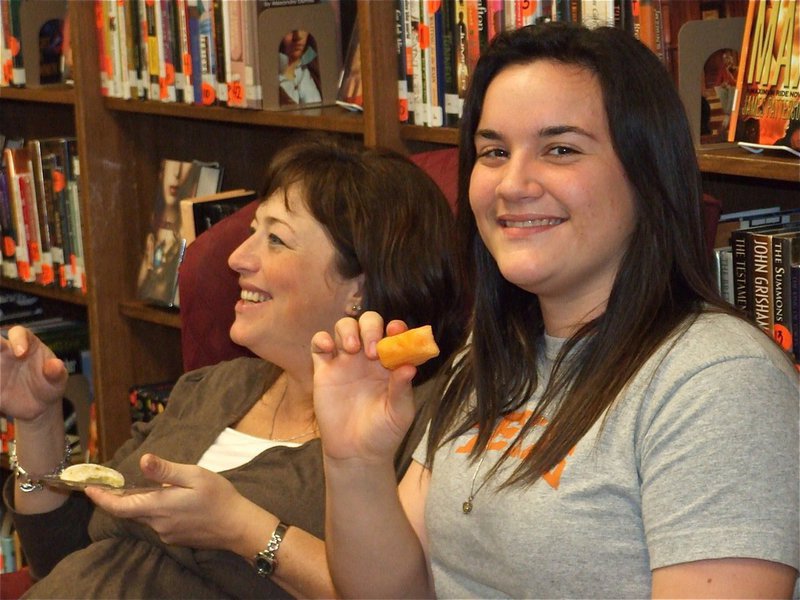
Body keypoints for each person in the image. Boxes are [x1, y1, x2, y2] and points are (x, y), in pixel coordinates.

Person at [310, 22, 800, 598]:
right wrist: (354, 461)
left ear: (647, 173)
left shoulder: (718, 382)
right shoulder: (491, 349)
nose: (513, 184)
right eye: (493, 151)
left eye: (560, 149)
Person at [0, 133, 468, 598]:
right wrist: (38, 419)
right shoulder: (212, 386)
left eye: (277, 240)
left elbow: (400, 593)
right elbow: (60, 559)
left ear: (359, 289)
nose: (236, 258)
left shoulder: (417, 424)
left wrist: (240, 528)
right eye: (252, 233)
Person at [278, 30, 322, 106]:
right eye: (290, 29)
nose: (298, 36)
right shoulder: (271, 73)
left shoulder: (313, 63)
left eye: (303, 29)